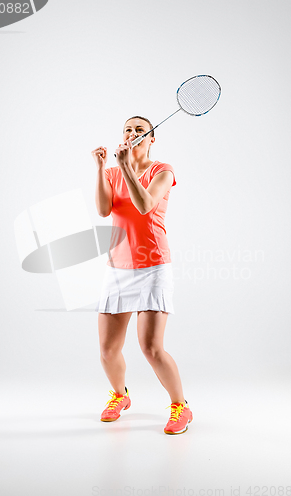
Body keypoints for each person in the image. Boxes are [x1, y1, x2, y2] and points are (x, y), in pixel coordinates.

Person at [91, 116, 192, 435]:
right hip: (117, 267)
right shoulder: (111, 171)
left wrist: (123, 168)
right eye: (128, 129)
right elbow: (104, 210)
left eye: (140, 130)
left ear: (151, 140)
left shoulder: (162, 170)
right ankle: (120, 396)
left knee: (150, 348)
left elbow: (145, 204)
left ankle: (181, 406)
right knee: (108, 350)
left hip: (153, 266)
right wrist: (101, 168)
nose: (132, 133)